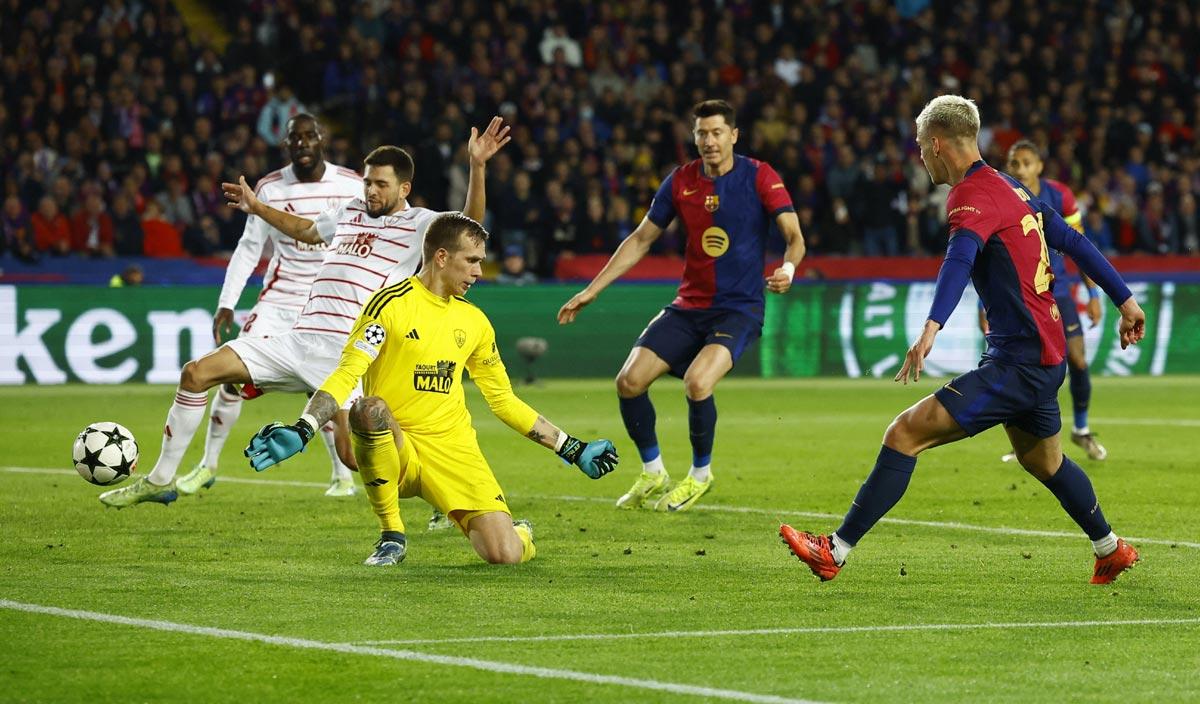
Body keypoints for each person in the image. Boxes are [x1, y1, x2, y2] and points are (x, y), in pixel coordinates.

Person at [780, 95, 1145, 585]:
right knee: (1046, 461)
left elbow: (958, 259)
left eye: (919, 147)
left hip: (1020, 361)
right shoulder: (1012, 187)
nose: (920, 157)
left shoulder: (969, 195)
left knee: (904, 433)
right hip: (1043, 353)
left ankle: (834, 551)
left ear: (937, 145)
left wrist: (931, 327)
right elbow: (1074, 242)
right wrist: (1125, 300)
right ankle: (1110, 548)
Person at [98, 118, 511, 509]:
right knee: (196, 373)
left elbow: (469, 224)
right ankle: (159, 481)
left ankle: (438, 491)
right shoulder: (349, 211)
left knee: (355, 458)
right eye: (367, 181)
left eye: (380, 185)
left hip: (347, 354)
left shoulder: (420, 224)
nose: (370, 191)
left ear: (404, 188)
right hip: (298, 339)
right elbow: (305, 230)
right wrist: (258, 208)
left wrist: (477, 166)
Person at [244, 213, 618, 565]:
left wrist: (571, 447)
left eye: (480, 261)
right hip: (397, 445)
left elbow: (503, 400)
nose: (478, 271)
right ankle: (392, 534)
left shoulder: (474, 322)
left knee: (504, 555)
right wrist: (305, 426)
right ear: (441, 257)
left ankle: (518, 533)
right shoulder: (388, 305)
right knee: (367, 408)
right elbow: (348, 373)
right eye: (471, 261)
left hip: (453, 449)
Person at [558, 99, 806, 512]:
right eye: (701, 133)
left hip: (739, 309)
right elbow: (640, 239)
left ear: (733, 136)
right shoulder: (681, 181)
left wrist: (789, 270)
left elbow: (794, 235)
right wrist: (592, 290)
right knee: (629, 382)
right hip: (689, 306)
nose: (708, 141)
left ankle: (700, 475)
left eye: (716, 132)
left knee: (697, 382)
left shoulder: (760, 176)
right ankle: (653, 471)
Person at [175, 114, 363, 499]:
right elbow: (249, 248)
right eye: (295, 138)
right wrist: (227, 303)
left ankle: (341, 477)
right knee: (230, 376)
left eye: (310, 136)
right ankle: (207, 466)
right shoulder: (271, 188)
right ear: (286, 144)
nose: (303, 144)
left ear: (322, 138)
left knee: (326, 389)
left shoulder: (351, 184)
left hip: (332, 302)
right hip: (280, 300)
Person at [995, 140, 1107, 460]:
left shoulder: (1060, 196)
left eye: (1027, 162)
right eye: (1014, 163)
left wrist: (1093, 293)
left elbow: (1078, 244)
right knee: (1028, 367)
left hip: (1057, 291)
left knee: (1079, 360)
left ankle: (1081, 429)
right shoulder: (1002, 195)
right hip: (1020, 295)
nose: (1020, 169)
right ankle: (1029, 441)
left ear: (1039, 166)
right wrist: (981, 304)